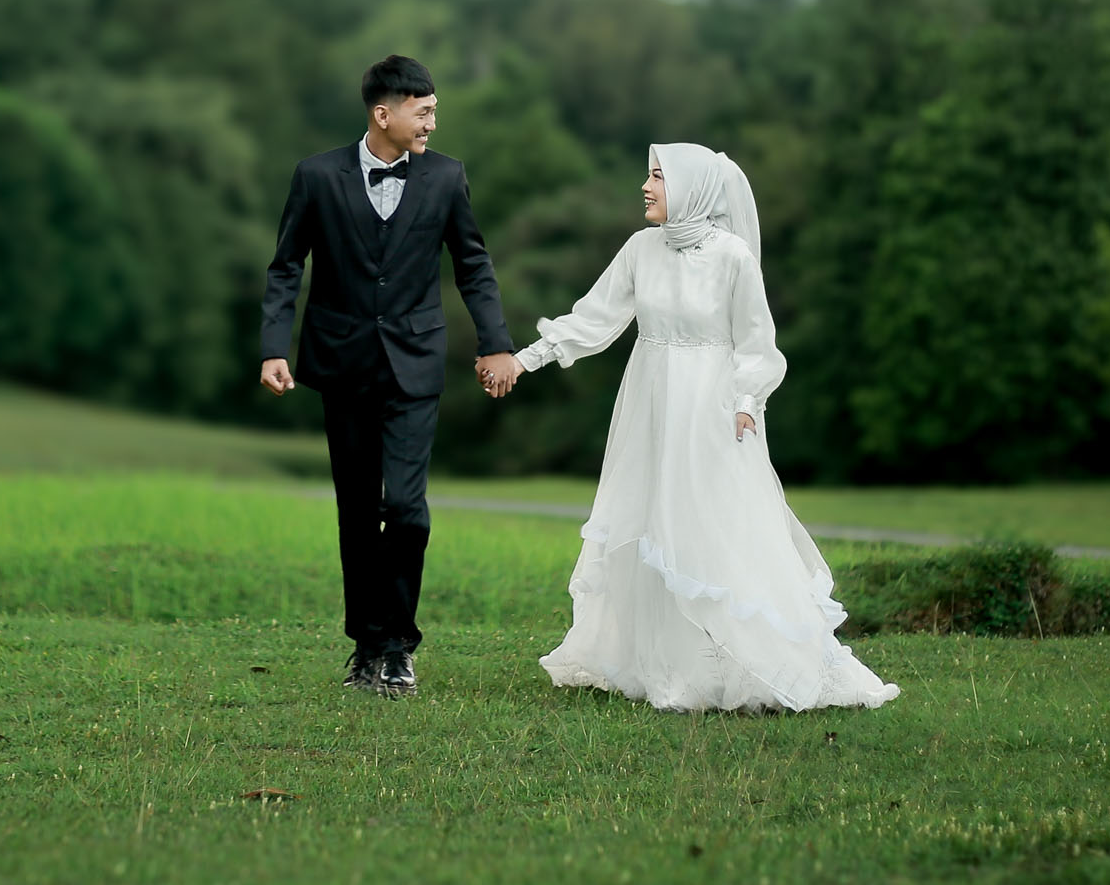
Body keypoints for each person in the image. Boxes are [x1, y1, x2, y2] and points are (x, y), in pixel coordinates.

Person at [497, 142, 899, 713]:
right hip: (650, 402)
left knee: (711, 521)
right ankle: (669, 663)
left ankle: (748, 658)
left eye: (658, 176)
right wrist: (525, 359)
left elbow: (756, 340)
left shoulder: (733, 257)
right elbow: (595, 317)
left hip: (712, 405)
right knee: (650, 517)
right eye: (649, 175)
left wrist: (747, 400)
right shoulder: (640, 249)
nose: (646, 187)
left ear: (693, 188)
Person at [259, 55, 524, 697]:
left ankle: (400, 645)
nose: (432, 123)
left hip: (415, 364)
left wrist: (497, 344)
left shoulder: (446, 177)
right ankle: (367, 646)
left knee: (405, 510)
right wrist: (273, 348)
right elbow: (287, 266)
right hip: (342, 362)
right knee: (356, 512)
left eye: (434, 112)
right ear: (384, 113)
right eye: (423, 112)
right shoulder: (316, 176)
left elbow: (473, 265)